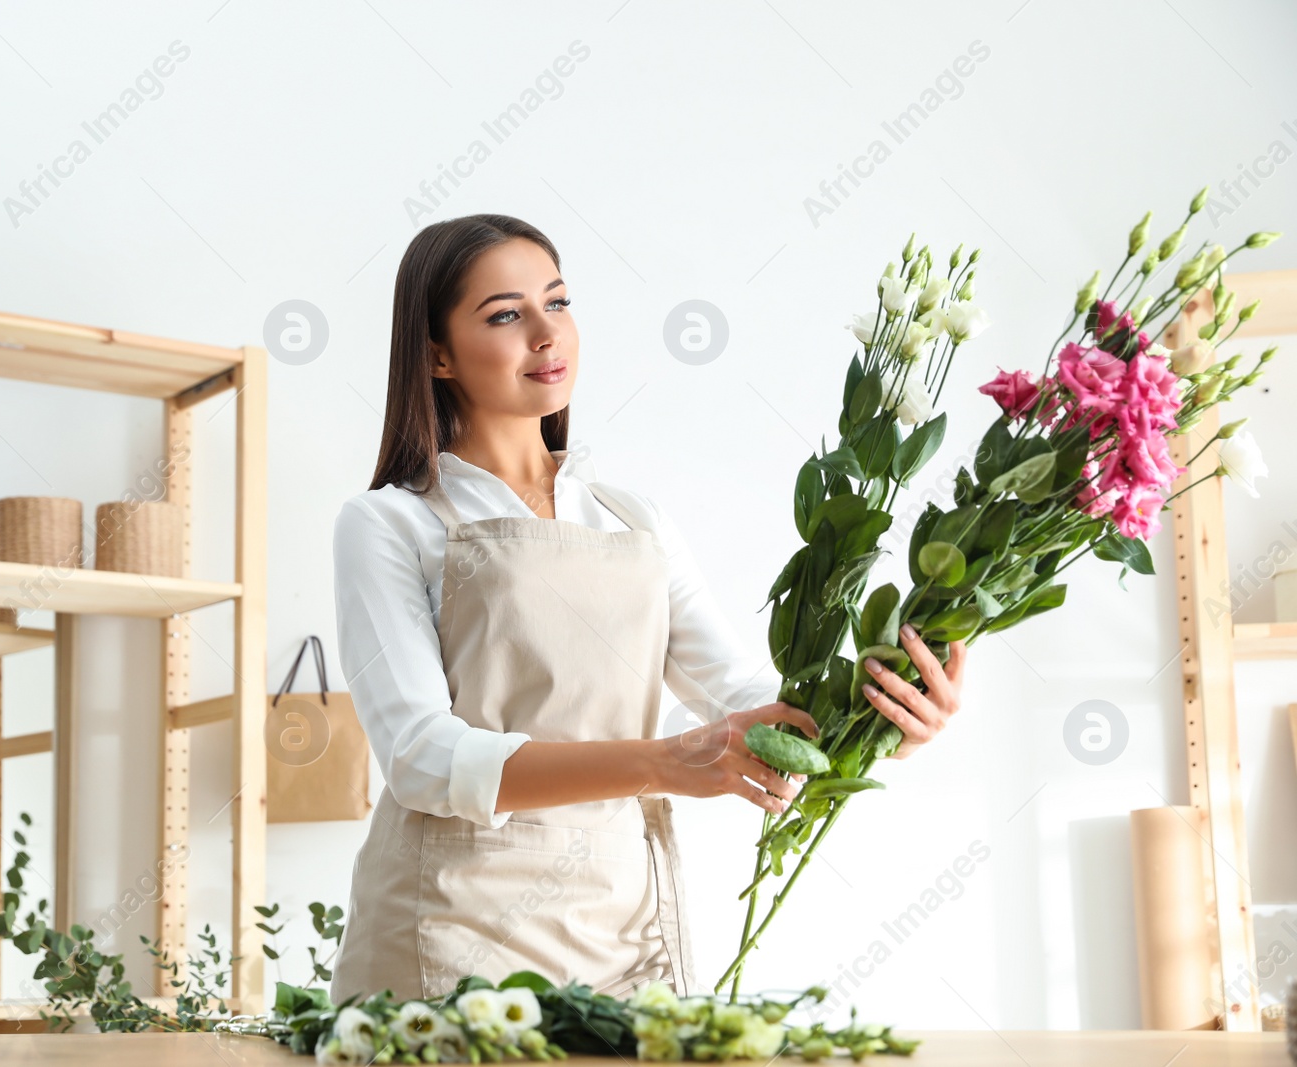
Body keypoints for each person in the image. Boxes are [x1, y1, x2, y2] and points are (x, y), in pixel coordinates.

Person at [327, 213, 967, 1004]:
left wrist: (877, 722)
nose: (545, 333)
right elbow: (423, 758)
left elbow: (741, 699)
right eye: (504, 314)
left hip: (622, 927)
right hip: (450, 929)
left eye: (557, 303)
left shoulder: (632, 519)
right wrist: (663, 762)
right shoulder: (392, 522)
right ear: (436, 354)